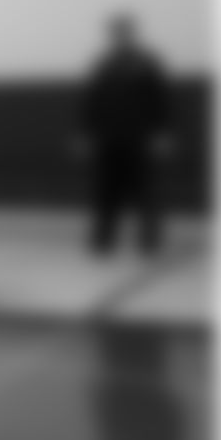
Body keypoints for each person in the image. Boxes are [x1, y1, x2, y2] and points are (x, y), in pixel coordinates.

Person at [75, 14, 175, 258]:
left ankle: (150, 241)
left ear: (132, 33)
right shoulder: (103, 63)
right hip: (107, 138)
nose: (119, 36)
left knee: (146, 191)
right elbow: (91, 101)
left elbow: (161, 100)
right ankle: (103, 239)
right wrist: (85, 133)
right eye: (115, 32)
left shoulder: (147, 63)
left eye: (124, 31)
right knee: (105, 191)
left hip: (140, 137)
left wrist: (162, 133)